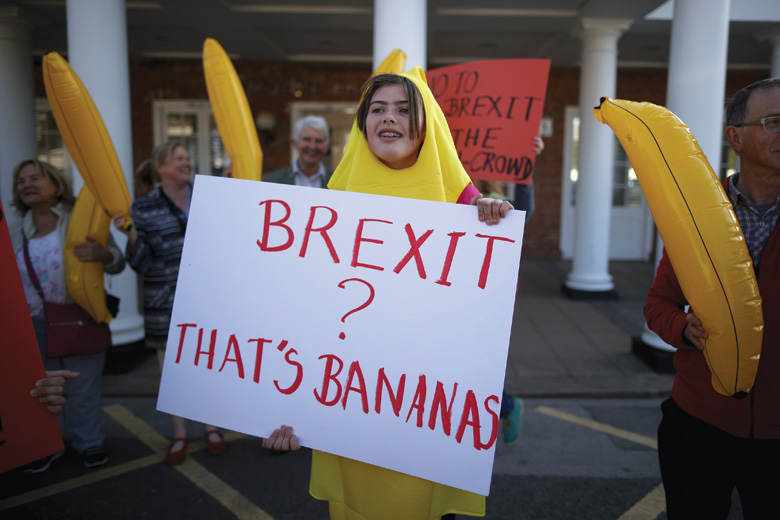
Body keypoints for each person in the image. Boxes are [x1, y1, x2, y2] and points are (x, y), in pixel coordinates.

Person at [264, 68, 513, 520]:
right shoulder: (331, 200)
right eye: (376, 109)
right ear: (362, 125)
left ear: (426, 124)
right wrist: (283, 408)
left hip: (420, 409)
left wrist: (492, 218)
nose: (388, 118)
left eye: (403, 109)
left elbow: (487, 300)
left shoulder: (464, 202)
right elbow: (300, 313)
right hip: (348, 401)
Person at [644, 77, 780, 519]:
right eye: (774, 122)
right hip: (699, 423)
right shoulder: (700, 214)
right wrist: (682, 328)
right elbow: (658, 304)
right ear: (735, 137)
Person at [112, 141, 227, 466]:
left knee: (208, 366)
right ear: (160, 166)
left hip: (207, 298)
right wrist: (132, 237)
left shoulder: (209, 198)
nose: (186, 162)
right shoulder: (143, 208)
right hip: (165, 303)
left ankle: (211, 426)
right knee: (171, 374)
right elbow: (140, 264)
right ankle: (179, 431)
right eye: (179, 159)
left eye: (188, 157)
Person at [10, 159, 126, 473]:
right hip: (34, 323)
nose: (27, 185)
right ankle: (51, 444)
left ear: (56, 184)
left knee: (82, 388)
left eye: (36, 178)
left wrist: (103, 255)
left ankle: (89, 443)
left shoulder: (82, 219)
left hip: (80, 318)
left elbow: (116, 261)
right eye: (21, 181)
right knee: (45, 390)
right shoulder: (16, 229)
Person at [263, 115, 333, 188]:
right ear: (295, 143)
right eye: (307, 139)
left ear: (326, 146)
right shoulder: (270, 181)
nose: (312, 147)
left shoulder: (339, 184)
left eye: (319, 141)